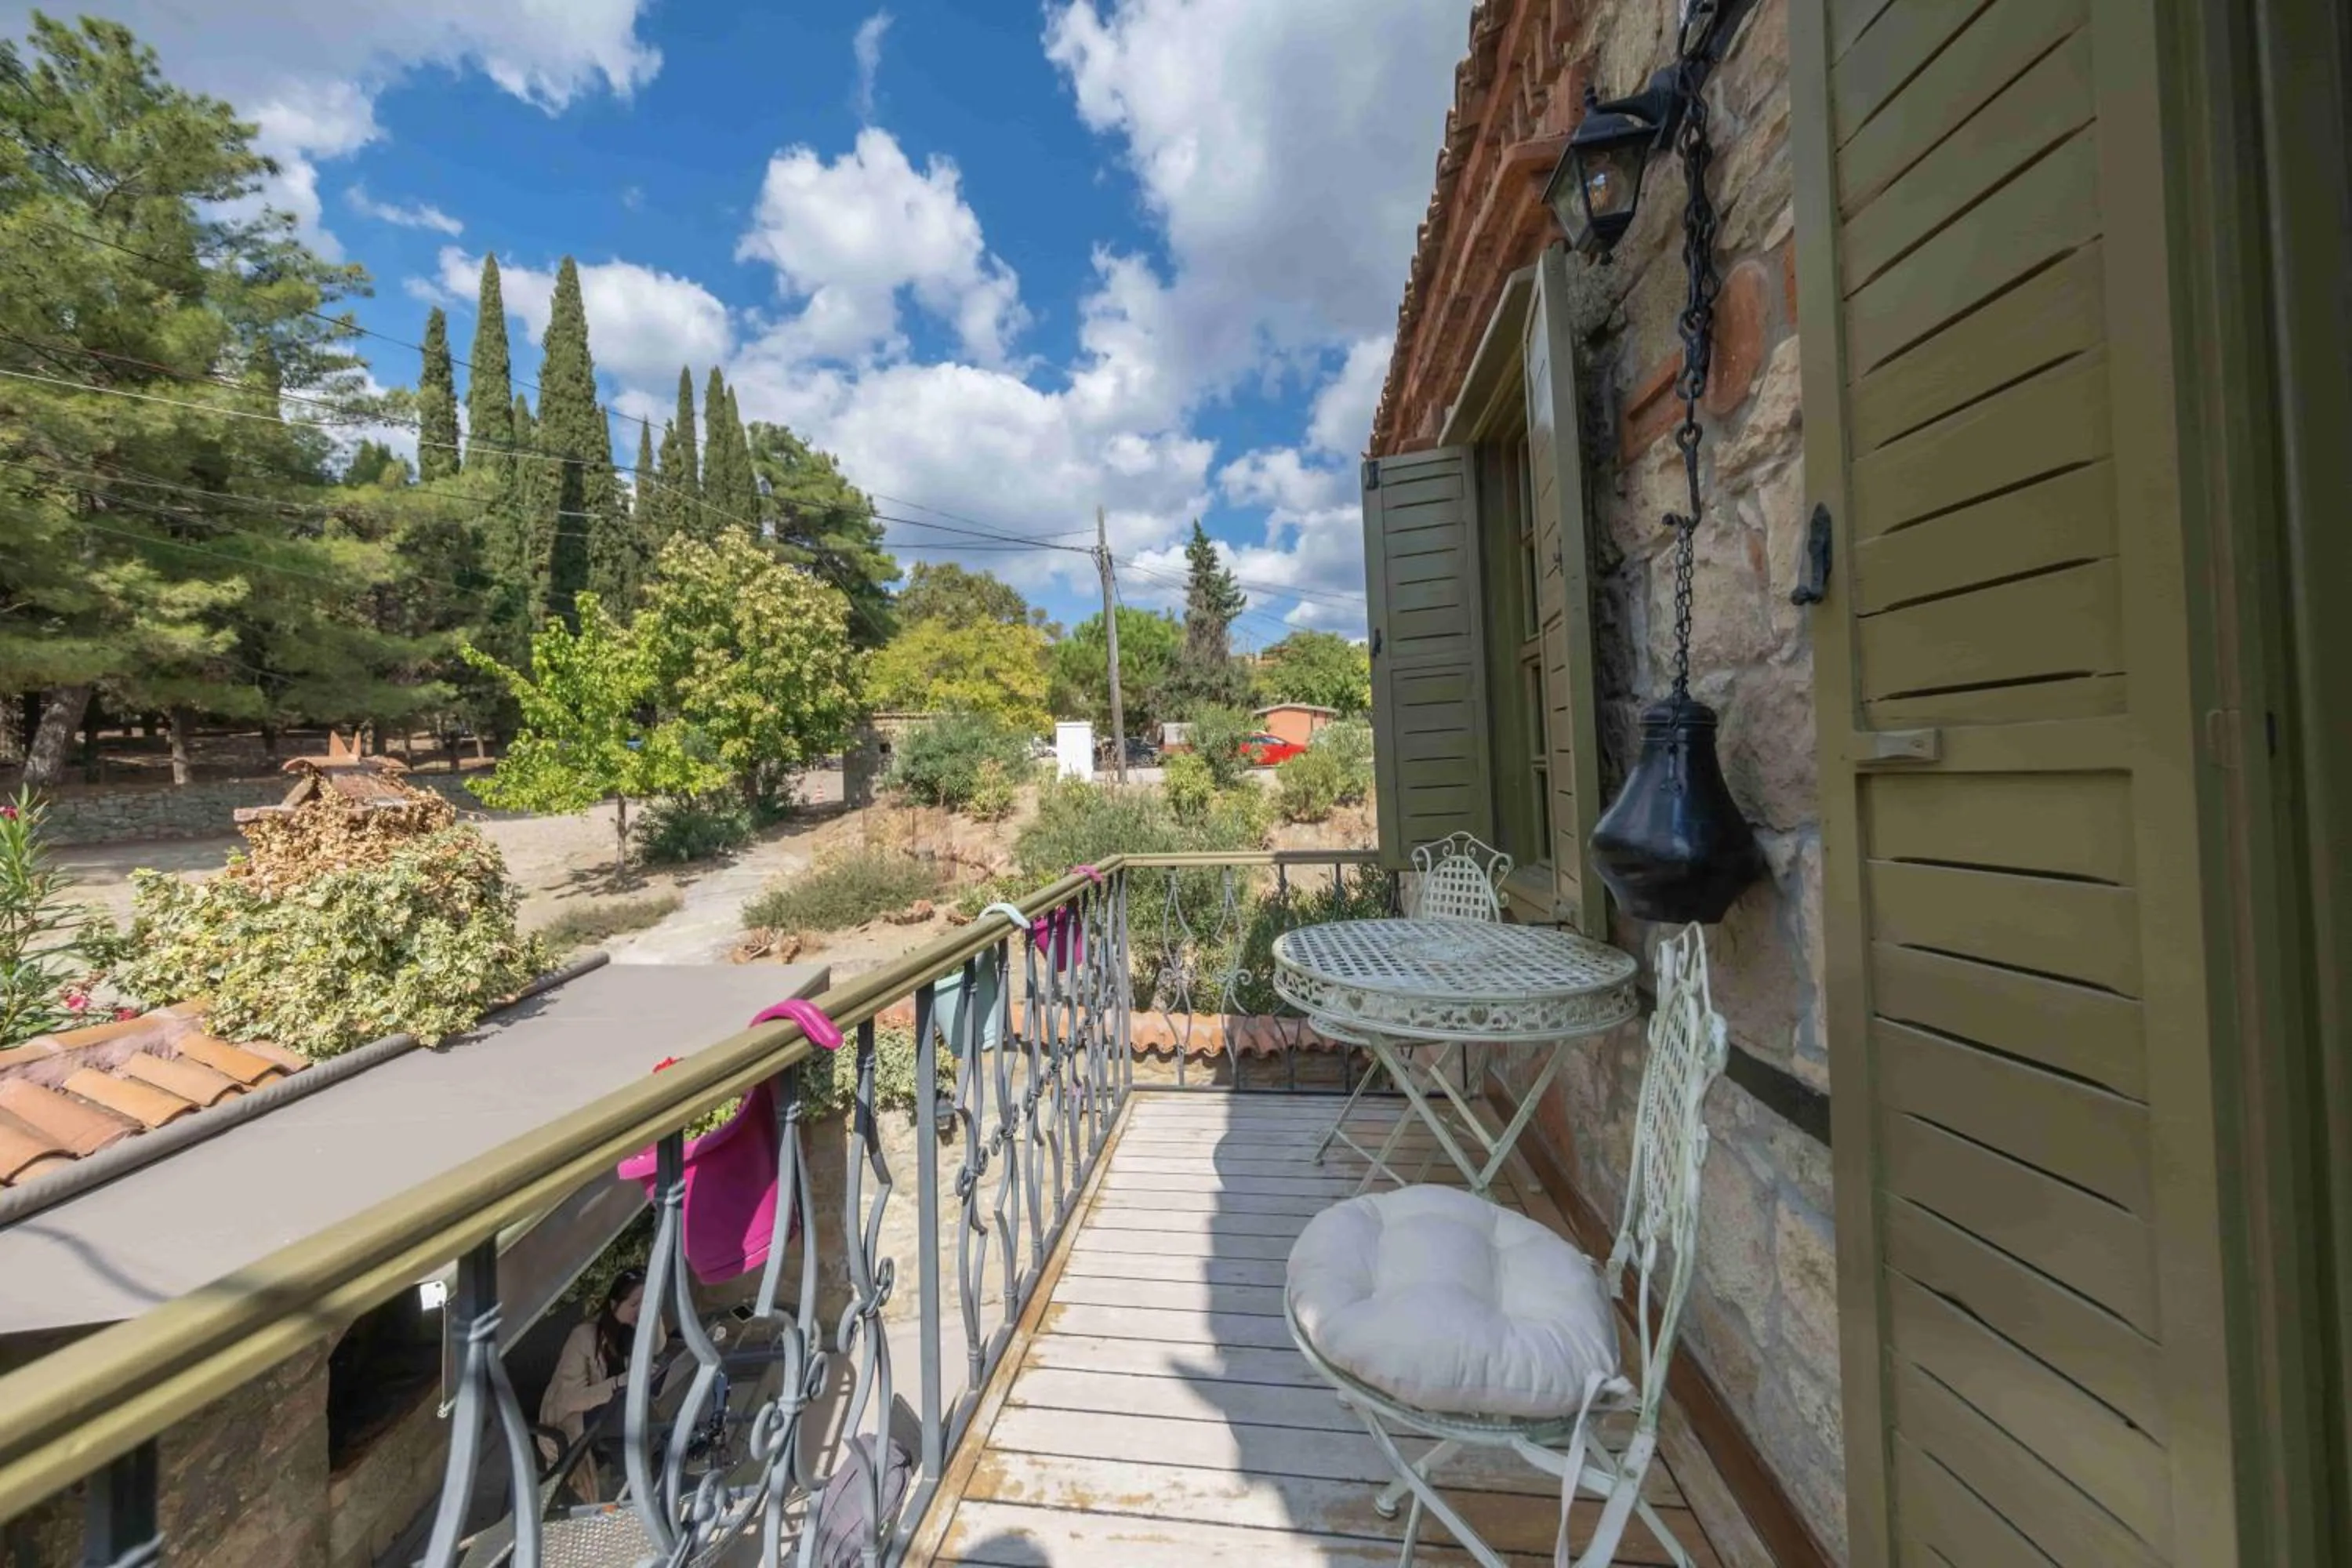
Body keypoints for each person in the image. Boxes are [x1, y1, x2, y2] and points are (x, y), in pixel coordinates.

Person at [538, 1269, 660, 1501]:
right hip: (568, 1420)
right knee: (628, 1414)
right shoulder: (584, 1337)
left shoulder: (626, 1332)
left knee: (633, 1413)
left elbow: (658, 1348)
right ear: (614, 1304)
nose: (639, 1311)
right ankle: (643, 1491)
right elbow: (570, 1400)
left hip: (608, 1414)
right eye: (635, 1304)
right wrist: (617, 1383)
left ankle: (649, 1482)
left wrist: (650, 1318)